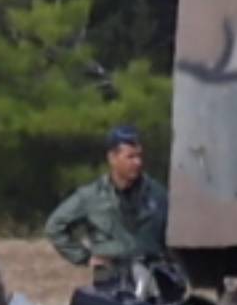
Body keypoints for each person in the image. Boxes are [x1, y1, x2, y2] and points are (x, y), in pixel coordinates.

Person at [44, 124, 169, 289]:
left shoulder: (158, 194)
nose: (137, 162)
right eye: (130, 157)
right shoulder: (91, 196)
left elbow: (174, 233)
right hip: (111, 280)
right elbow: (54, 226)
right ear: (112, 158)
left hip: (152, 280)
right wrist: (84, 257)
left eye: (140, 156)